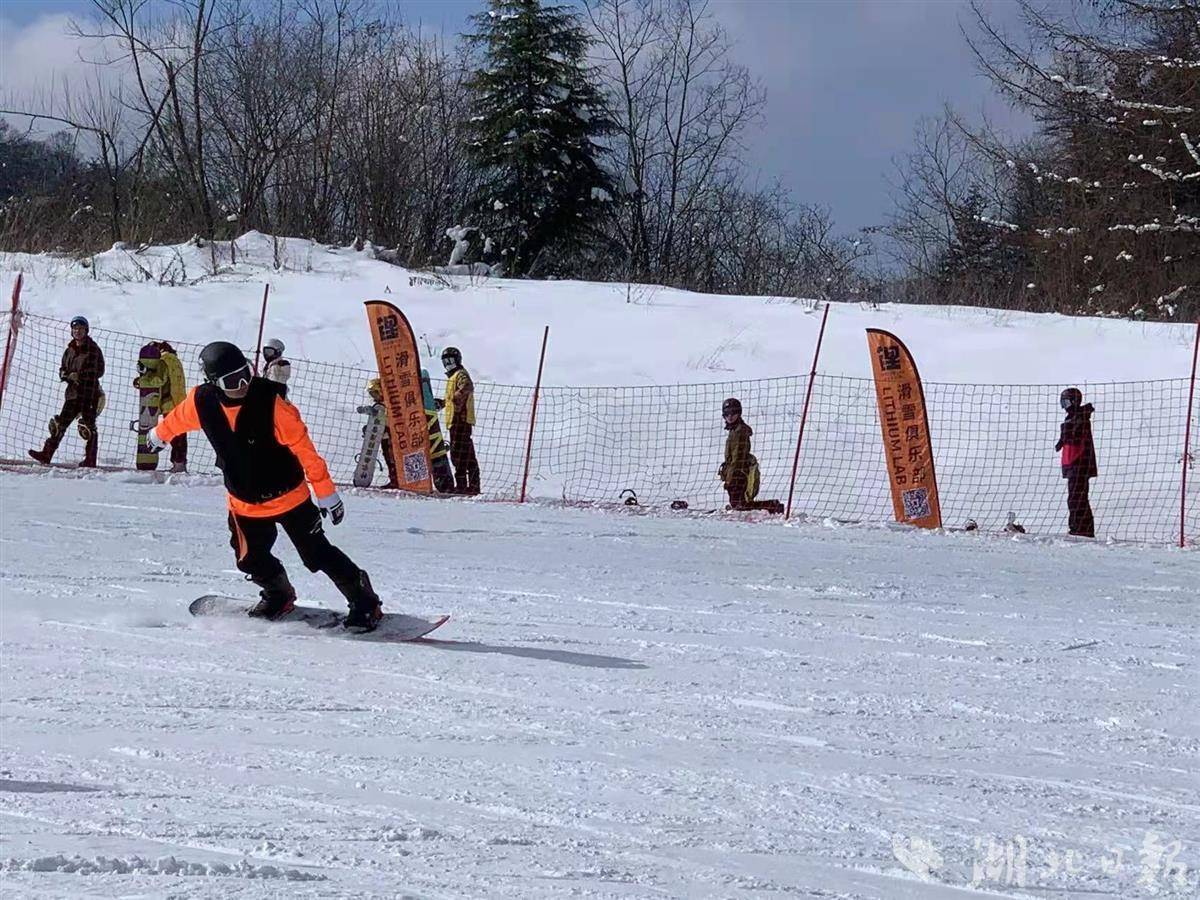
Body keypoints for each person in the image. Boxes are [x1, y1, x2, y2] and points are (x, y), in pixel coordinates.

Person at [147, 341, 384, 630]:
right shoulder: (202, 401)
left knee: (317, 554)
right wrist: (159, 435)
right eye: (233, 380)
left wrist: (326, 493)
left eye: (246, 373)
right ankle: (278, 593)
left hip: (290, 497)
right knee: (249, 558)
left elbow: (305, 450)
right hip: (244, 503)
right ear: (214, 383)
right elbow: (176, 419)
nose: (243, 383)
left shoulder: (273, 404)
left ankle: (365, 600)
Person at [28, 315, 106, 468]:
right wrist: (66, 375)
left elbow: (99, 370)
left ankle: (90, 459)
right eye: (75, 328)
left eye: (81, 329)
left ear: (86, 331)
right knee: (60, 423)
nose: (77, 331)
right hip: (73, 394)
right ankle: (46, 454)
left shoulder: (93, 349)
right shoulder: (69, 350)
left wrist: (80, 376)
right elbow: (63, 368)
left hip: (89, 394)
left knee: (89, 426)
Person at [717, 397, 783, 514]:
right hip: (735, 471)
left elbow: (737, 458)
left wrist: (730, 477)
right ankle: (771, 506)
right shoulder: (734, 430)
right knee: (738, 504)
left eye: (733, 413)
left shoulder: (739, 431)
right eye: (727, 414)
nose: (730, 416)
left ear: (739, 413)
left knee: (741, 506)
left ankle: (772, 506)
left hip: (738, 472)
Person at [436, 346, 480, 495]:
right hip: (455, 422)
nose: (448, 364)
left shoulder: (460, 374)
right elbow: (451, 398)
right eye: (445, 361)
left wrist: (457, 398)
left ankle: (463, 485)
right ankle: (472, 486)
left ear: (457, 360)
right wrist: (442, 403)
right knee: (466, 453)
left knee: (459, 454)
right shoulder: (452, 377)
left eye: (450, 360)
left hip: (460, 421)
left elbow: (467, 386)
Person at [1054, 387, 1098, 538]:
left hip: (1079, 464)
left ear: (1074, 401)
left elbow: (1075, 436)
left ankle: (1081, 529)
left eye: (1066, 402)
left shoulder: (1081, 417)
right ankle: (1078, 528)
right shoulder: (1074, 417)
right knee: (1075, 497)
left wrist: (1064, 434)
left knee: (1077, 497)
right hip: (1073, 464)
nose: (1064, 406)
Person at [364, 377, 400, 489]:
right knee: (388, 458)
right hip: (383, 436)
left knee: (392, 458)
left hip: (390, 436)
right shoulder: (377, 406)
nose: (373, 397)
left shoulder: (388, 405)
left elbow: (390, 421)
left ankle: (397, 480)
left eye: (375, 393)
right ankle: (393, 479)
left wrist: (386, 428)